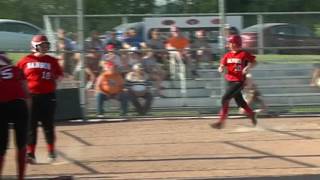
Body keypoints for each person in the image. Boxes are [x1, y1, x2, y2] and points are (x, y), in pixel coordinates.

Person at [17, 34, 64, 164]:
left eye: (46, 45)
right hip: (30, 97)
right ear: (34, 46)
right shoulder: (25, 60)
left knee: (48, 125)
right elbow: (18, 77)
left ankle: (51, 152)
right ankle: (31, 154)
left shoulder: (51, 60)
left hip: (48, 96)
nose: (44, 47)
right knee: (31, 126)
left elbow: (60, 75)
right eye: (41, 45)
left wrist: (54, 81)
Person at [211, 35, 258, 129]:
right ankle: (252, 114)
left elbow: (255, 62)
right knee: (240, 102)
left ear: (238, 43)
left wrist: (248, 67)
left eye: (233, 43)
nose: (231, 45)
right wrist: (221, 68)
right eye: (230, 43)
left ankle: (221, 121)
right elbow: (221, 66)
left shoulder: (243, 54)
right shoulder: (227, 55)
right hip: (230, 81)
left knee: (225, 98)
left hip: (239, 81)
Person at [0, 54, 29, 180]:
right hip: (19, 104)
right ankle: (21, 177)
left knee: (1, 146)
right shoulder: (16, 69)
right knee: (21, 144)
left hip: (1, 105)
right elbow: (26, 91)